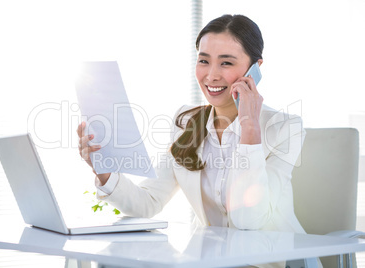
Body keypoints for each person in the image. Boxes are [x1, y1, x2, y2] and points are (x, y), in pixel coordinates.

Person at [77, 14, 306, 234]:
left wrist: (249, 128)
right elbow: (148, 203)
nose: (211, 75)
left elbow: (249, 220)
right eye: (204, 61)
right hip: (211, 258)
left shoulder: (285, 128)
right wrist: (104, 170)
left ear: (255, 68)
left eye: (226, 63)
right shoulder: (186, 121)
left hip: (271, 260)